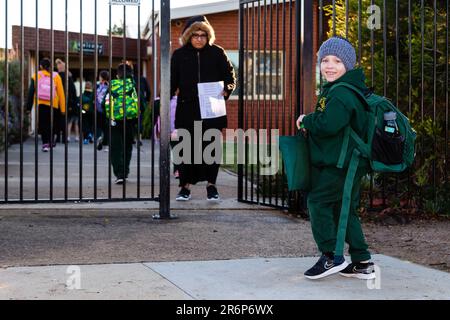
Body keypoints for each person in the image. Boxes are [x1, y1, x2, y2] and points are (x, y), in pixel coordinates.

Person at [296, 36, 375, 280]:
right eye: (325, 60)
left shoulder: (341, 93)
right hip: (349, 162)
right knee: (344, 209)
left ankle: (331, 256)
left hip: (342, 165)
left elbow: (329, 124)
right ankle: (362, 262)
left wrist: (306, 120)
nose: (329, 66)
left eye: (337, 61)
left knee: (318, 202)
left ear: (348, 65)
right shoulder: (342, 89)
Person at [170, 15, 236, 201]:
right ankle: (185, 187)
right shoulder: (179, 55)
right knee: (186, 149)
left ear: (208, 36)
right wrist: (164, 102)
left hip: (212, 110)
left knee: (211, 148)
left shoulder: (217, 53)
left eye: (203, 35)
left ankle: (211, 186)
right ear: (189, 36)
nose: (199, 38)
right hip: (187, 109)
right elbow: (172, 82)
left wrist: (227, 89)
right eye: (195, 35)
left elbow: (231, 78)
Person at [104, 63, 139, 184]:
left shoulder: (112, 85)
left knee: (115, 147)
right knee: (127, 146)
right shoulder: (134, 84)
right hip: (129, 120)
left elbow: (105, 102)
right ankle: (124, 171)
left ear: (117, 74)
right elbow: (142, 102)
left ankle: (118, 173)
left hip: (114, 120)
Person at [26, 58, 66, 152]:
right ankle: (51, 141)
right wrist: (63, 109)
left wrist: (28, 107)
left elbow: (31, 92)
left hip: (41, 103)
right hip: (54, 104)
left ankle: (45, 144)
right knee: (51, 123)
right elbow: (61, 93)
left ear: (40, 66)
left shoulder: (36, 75)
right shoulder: (56, 76)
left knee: (43, 124)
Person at [55, 58, 79, 143]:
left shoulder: (56, 76)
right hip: (67, 102)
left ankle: (58, 137)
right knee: (65, 120)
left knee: (57, 120)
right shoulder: (69, 77)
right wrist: (74, 103)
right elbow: (73, 91)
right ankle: (65, 138)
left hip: (57, 101)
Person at [96, 70, 110, 151]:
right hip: (98, 110)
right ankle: (100, 140)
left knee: (106, 127)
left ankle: (106, 144)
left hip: (105, 109)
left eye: (100, 76)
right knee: (99, 127)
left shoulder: (108, 86)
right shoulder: (98, 85)